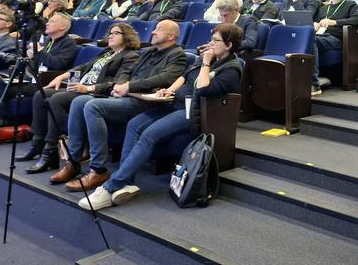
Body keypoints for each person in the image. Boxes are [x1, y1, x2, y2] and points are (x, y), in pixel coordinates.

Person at [79, 23, 243, 210]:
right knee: (134, 124)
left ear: (229, 45)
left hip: (192, 112)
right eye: (211, 39)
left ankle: (110, 187)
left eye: (215, 40)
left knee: (149, 134)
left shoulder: (231, 68)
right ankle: (126, 182)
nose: (210, 43)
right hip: (173, 102)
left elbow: (203, 88)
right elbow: (185, 76)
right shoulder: (205, 58)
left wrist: (206, 62)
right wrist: (168, 90)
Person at [43, 21, 186, 184]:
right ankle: (73, 161)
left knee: (92, 106)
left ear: (171, 36)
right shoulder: (148, 52)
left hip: (144, 102)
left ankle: (98, 169)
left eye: (158, 30)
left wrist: (128, 86)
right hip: (126, 95)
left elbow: (164, 78)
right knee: (79, 101)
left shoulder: (177, 55)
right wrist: (121, 85)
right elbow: (127, 71)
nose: (153, 32)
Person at [0, 12, 78, 149]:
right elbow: (36, 63)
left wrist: (39, 51)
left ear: (62, 27)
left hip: (45, 83)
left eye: (52, 21)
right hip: (30, 78)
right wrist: (28, 58)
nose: (47, 23)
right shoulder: (47, 41)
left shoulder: (69, 43)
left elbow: (57, 64)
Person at [41, 24, 141, 181]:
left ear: (127, 37)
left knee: (62, 99)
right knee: (43, 94)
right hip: (81, 87)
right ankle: (62, 155)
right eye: (110, 33)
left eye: (116, 33)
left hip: (97, 93)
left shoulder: (130, 56)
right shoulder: (106, 52)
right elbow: (84, 66)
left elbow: (117, 83)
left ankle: (64, 154)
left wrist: (87, 88)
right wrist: (63, 76)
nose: (110, 36)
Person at [312, 0, 358, 96]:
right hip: (321, 36)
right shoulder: (323, 8)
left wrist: (334, 22)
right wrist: (315, 25)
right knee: (306, 38)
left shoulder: (350, 4)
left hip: (336, 38)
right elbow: (316, 23)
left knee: (311, 40)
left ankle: (314, 84)